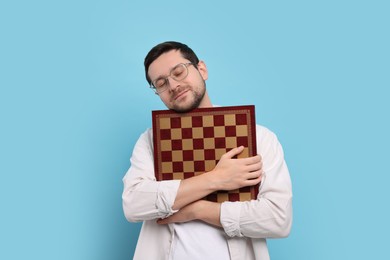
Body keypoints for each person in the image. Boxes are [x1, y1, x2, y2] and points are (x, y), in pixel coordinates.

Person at [122, 41, 293, 260]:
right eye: (161, 83)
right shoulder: (150, 141)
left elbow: (278, 219)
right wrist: (217, 179)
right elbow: (134, 205)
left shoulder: (259, 137)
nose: (173, 86)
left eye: (179, 72)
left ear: (201, 69)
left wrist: (196, 210)